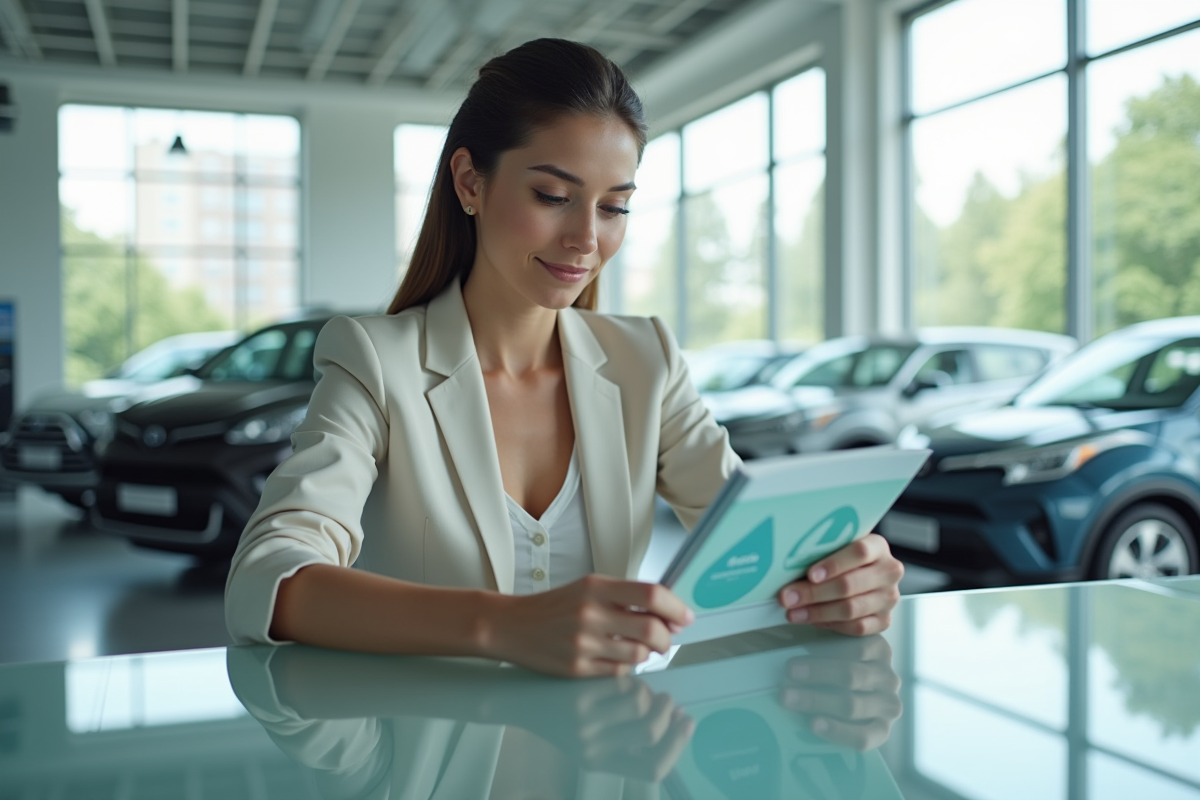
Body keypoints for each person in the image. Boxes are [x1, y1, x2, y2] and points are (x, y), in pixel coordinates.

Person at [224, 38, 905, 678]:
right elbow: (266, 576)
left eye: (614, 208)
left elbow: (752, 543)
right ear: (470, 182)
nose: (586, 238)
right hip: (432, 744)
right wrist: (501, 625)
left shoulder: (646, 360)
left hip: (605, 742)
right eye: (553, 197)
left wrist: (842, 577)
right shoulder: (377, 360)